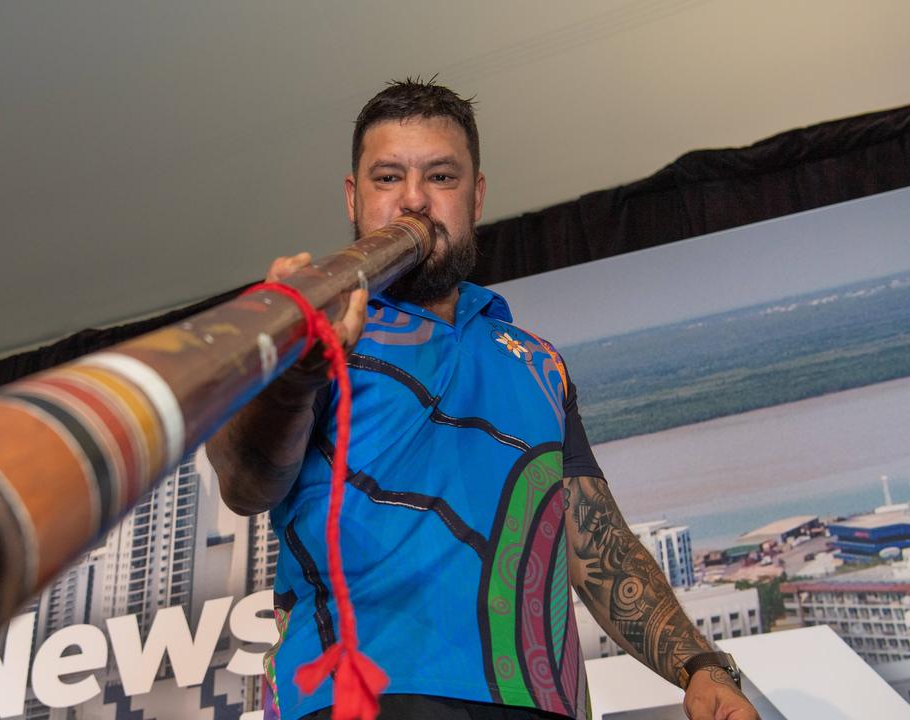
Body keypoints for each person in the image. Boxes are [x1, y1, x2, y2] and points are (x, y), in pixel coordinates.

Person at [207, 78, 760, 720]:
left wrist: (699, 665)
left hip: (537, 703)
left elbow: (592, 541)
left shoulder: (538, 362)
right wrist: (294, 373)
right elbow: (246, 485)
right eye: (388, 178)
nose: (414, 199)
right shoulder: (311, 323)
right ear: (354, 199)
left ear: (477, 196)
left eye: (440, 176)